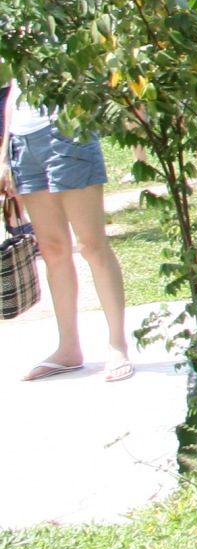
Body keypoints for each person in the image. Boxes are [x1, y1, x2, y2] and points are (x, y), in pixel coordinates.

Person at [2, 80, 129, 382]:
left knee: (91, 244)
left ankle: (118, 346)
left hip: (67, 129)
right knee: (52, 250)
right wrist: (5, 156)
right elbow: (14, 89)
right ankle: (69, 349)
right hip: (23, 141)